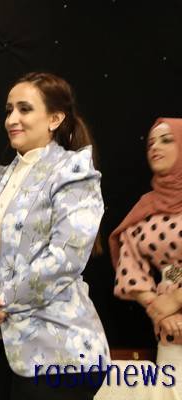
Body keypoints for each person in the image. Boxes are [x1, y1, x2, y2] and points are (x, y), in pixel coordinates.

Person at [0, 72, 110, 399]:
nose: (12, 119)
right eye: (9, 110)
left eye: (24, 109)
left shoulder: (74, 171)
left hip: (57, 350)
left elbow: (64, 260)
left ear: (55, 119)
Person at [109, 117, 182, 400]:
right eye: (151, 143)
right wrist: (158, 308)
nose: (155, 147)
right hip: (171, 330)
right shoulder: (147, 207)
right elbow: (129, 264)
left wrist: (175, 301)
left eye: (166, 140)